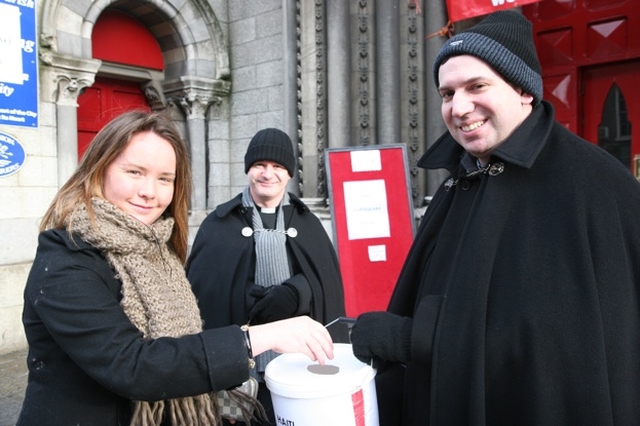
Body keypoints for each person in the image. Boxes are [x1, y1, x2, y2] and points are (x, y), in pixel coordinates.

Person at [350, 10, 640, 426]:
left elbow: (567, 343)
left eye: (477, 86)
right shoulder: (462, 175)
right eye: (448, 94)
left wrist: (415, 339)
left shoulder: (593, 184)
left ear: (523, 89)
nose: (460, 107)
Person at [17, 111, 335, 426]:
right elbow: (134, 366)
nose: (150, 192)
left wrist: (234, 409)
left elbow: (182, 355)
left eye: (164, 179)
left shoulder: (158, 249)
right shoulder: (65, 260)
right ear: (99, 169)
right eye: (134, 172)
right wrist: (251, 339)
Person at [187, 127, 346, 425]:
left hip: (296, 367)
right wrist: (244, 296)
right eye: (259, 165)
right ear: (249, 169)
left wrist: (299, 292)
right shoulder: (218, 224)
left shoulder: (309, 223)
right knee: (237, 421)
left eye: (278, 166)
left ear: (289, 174)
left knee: (289, 418)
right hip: (237, 375)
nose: (267, 173)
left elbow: (326, 287)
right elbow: (205, 294)